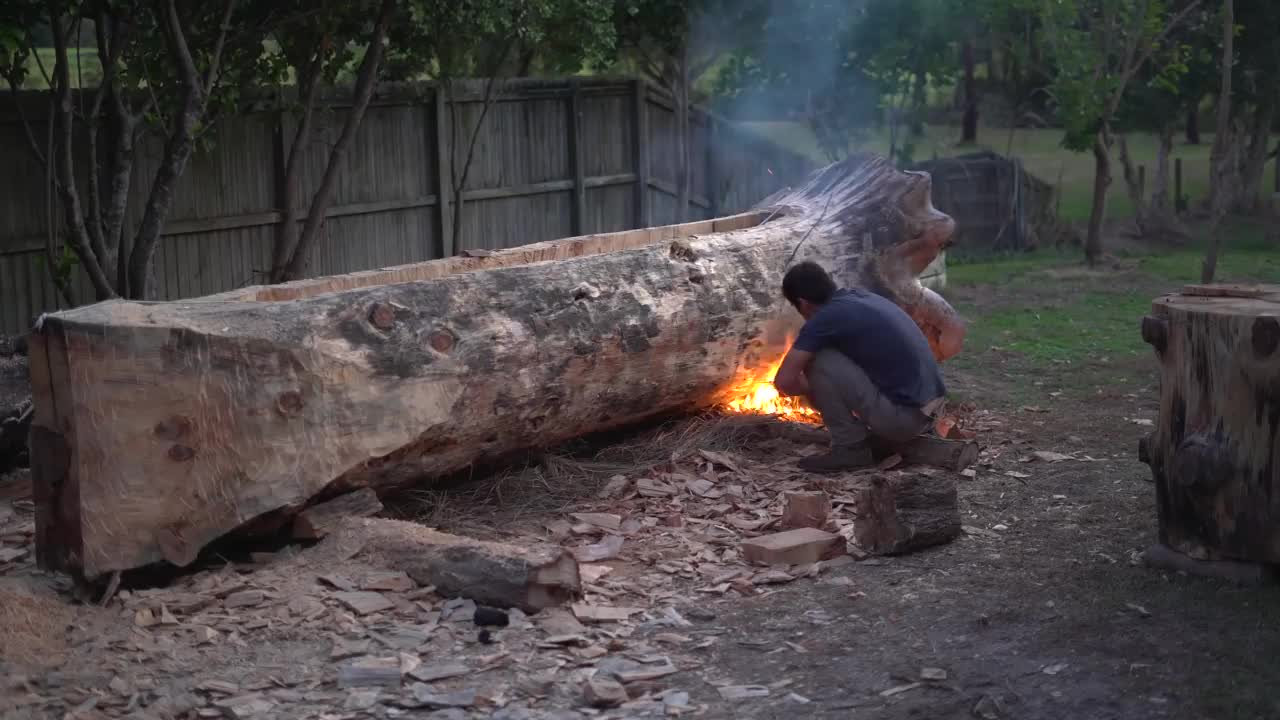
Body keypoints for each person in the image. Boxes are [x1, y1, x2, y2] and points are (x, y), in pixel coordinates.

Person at [772, 261, 945, 473]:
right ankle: (871, 438)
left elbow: (784, 382)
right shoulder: (860, 297)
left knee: (818, 360)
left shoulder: (824, 319)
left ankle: (849, 447)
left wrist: (814, 389)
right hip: (931, 411)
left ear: (803, 303)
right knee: (834, 357)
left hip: (906, 420)